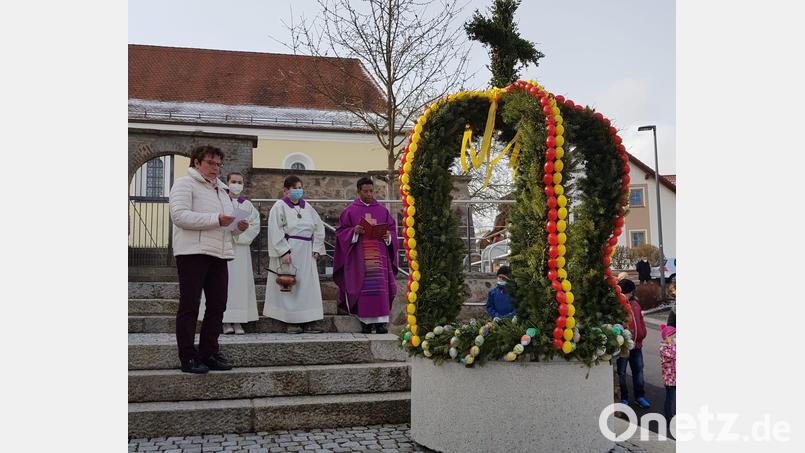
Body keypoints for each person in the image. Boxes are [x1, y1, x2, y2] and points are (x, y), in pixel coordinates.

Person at [169, 145, 248, 374]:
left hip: (219, 253)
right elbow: (179, 216)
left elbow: (227, 224)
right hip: (192, 252)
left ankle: (209, 352)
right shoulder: (184, 184)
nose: (216, 168)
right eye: (210, 163)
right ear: (196, 162)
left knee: (217, 305)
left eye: (218, 164)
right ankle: (187, 356)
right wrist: (216, 219)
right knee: (190, 305)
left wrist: (238, 227)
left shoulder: (222, 190)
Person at [333, 177, 399, 334]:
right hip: (360, 258)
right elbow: (341, 232)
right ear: (358, 192)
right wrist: (353, 231)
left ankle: (381, 323)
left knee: (380, 289)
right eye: (365, 191)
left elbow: (392, 230)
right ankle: (366, 322)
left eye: (371, 191)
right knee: (364, 288)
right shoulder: (350, 211)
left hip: (379, 258)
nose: (369, 194)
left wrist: (388, 237)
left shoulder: (382, 211)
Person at [199, 172, 260, 335]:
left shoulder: (247, 205)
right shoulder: (220, 201)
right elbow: (214, 219)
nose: (237, 185)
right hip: (223, 245)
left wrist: (241, 232)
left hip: (241, 248)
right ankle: (225, 320)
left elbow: (255, 224)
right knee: (224, 284)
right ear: (227, 183)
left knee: (240, 284)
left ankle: (238, 320)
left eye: (240, 182)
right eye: (234, 181)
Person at [263, 175, 326, 334]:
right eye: (294, 188)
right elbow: (275, 229)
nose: (298, 190)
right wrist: (283, 251)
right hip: (290, 248)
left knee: (306, 286)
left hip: (307, 250)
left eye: (300, 188)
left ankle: (307, 320)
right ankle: (291, 321)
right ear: (286, 190)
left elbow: (319, 227)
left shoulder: (307, 207)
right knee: (289, 284)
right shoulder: (279, 206)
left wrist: (317, 247)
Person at [616, 278, 650, 408]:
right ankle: (623, 397)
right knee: (622, 373)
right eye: (628, 292)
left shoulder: (635, 304)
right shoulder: (618, 305)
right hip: (623, 347)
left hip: (637, 346)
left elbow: (640, 320)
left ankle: (640, 396)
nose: (629, 294)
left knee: (638, 371)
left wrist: (642, 333)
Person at [659, 323, 676, 422]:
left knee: (672, 398)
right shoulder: (664, 348)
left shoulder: (671, 346)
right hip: (669, 379)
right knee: (670, 398)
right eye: (673, 337)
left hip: (674, 378)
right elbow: (673, 355)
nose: (674, 339)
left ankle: (670, 414)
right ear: (666, 338)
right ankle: (668, 416)